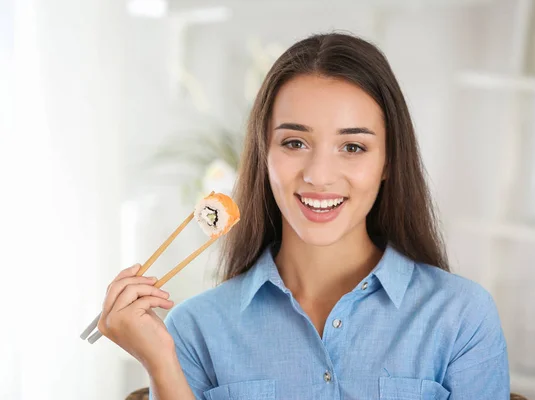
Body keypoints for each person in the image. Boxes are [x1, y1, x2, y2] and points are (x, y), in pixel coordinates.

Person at [98, 32, 510, 400]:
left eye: (352, 147)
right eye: (294, 142)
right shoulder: (197, 327)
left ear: (389, 161)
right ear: (264, 154)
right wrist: (159, 363)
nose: (318, 176)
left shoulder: (461, 317)